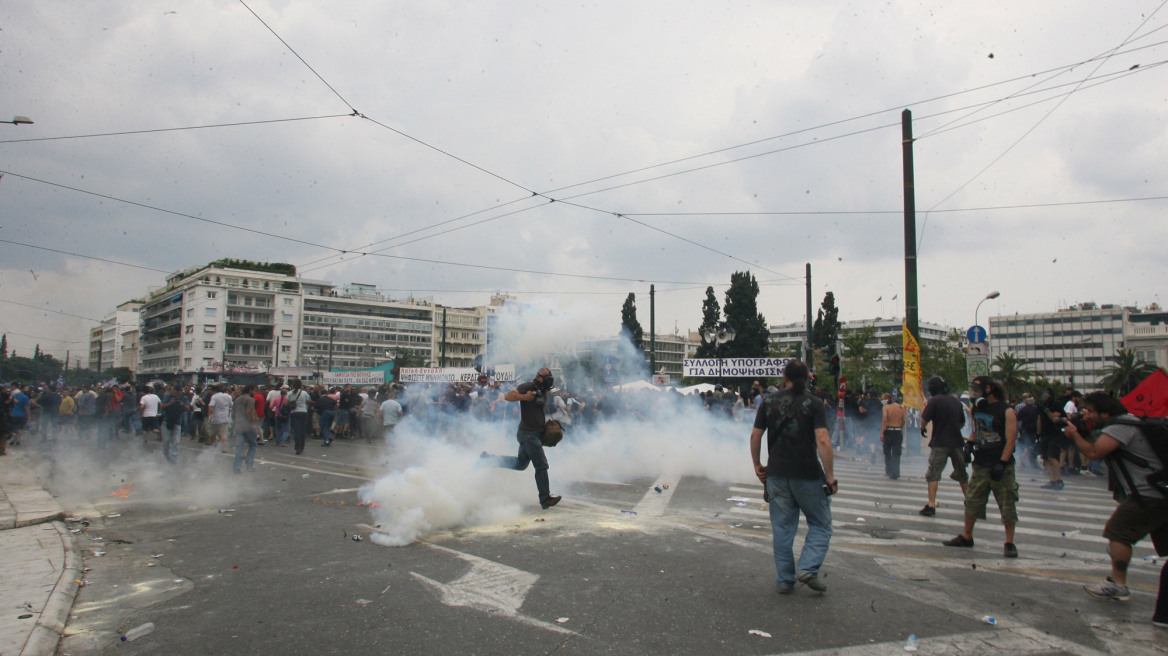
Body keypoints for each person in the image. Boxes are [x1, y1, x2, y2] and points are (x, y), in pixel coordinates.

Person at [1063, 391, 1167, 626]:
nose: (1087, 414)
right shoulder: (1131, 421)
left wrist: (1075, 435)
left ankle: (1117, 585)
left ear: (1105, 413)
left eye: (1090, 411)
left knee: (1117, 533)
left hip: (1148, 495)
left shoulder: (1119, 427)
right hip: (1159, 492)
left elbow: (1094, 452)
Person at [750, 359, 835, 595]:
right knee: (821, 524)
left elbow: (755, 436)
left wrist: (757, 464)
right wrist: (830, 477)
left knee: (782, 528)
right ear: (807, 378)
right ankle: (808, 567)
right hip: (807, 474)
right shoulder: (814, 403)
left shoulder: (768, 402)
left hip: (777, 474)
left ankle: (785, 580)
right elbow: (823, 441)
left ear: (784, 376)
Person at [943, 376, 1020, 558]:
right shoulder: (977, 408)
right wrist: (969, 445)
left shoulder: (1006, 411)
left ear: (989, 389)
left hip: (1001, 465)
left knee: (1007, 503)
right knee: (972, 501)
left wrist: (1002, 463)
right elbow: (976, 430)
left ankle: (1009, 542)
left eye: (978, 389)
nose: (974, 392)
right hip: (981, 464)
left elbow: (1010, 440)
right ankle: (967, 536)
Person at [481, 368, 561, 509]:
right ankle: (545, 498)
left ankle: (488, 459)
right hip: (528, 434)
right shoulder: (528, 387)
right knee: (541, 465)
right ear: (538, 377)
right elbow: (509, 396)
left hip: (533, 433)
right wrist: (524, 397)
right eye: (545, 378)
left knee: (520, 464)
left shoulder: (544, 389)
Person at [919, 375, 970, 516]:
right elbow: (962, 423)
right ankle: (970, 502)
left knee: (933, 474)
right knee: (962, 474)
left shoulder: (934, 401)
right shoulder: (956, 401)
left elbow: (924, 419)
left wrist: (922, 429)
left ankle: (931, 505)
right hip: (957, 442)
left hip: (940, 443)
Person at [232, 384, 259, 473]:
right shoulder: (250, 400)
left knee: (239, 447)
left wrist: (236, 422)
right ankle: (249, 465)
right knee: (252, 445)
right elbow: (249, 411)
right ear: (250, 390)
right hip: (248, 427)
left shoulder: (237, 400)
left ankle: (237, 467)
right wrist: (252, 423)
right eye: (254, 390)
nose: (254, 392)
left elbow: (232, 413)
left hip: (239, 426)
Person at [160, 385, 189, 464]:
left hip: (177, 422)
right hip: (167, 421)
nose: (177, 395)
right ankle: (166, 457)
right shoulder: (168, 396)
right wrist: (170, 403)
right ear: (173, 391)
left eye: (179, 394)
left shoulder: (184, 398)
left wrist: (183, 404)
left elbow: (188, 409)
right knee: (166, 441)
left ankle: (173, 460)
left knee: (176, 442)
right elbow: (162, 406)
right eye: (176, 393)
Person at [880, 393, 906, 479]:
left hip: (888, 430)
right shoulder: (900, 407)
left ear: (887, 399)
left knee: (887, 452)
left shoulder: (885, 407)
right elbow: (903, 420)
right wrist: (900, 428)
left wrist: (882, 432)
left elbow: (884, 419)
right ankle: (896, 472)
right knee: (896, 453)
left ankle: (889, 471)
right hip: (898, 431)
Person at [285, 379, 310, 455]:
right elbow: (307, 401)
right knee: (302, 430)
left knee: (296, 430)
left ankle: (297, 447)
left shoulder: (290, 393)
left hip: (294, 412)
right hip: (303, 412)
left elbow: (285, 403)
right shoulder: (304, 393)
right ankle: (302, 446)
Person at [207, 385, 234, 453]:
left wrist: (210, 415)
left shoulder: (214, 397)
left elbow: (211, 406)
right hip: (224, 418)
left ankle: (213, 444)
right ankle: (224, 447)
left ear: (214, 391)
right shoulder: (228, 396)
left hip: (215, 418)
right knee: (223, 433)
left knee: (213, 433)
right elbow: (231, 405)